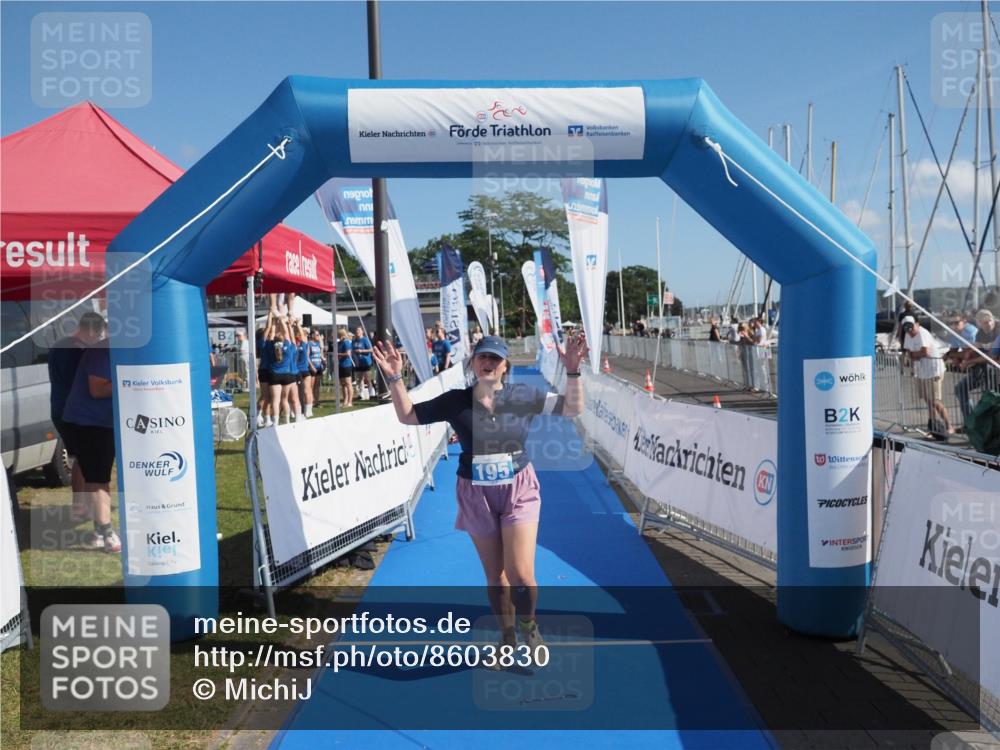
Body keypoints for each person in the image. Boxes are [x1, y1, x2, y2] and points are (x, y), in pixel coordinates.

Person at [373, 333, 589, 662]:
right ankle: (506, 636)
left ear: (505, 366)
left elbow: (572, 408)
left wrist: (573, 372)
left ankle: (529, 625)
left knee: (520, 573)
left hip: (519, 488)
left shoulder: (523, 396)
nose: (488, 363)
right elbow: (408, 415)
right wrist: (393, 378)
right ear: (473, 363)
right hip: (475, 493)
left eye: (495, 359)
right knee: (496, 576)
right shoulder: (455, 401)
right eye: (482, 358)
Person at [60, 340, 121, 552]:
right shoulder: (103, 351)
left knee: (96, 475)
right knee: (98, 478)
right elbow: (97, 389)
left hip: (104, 421)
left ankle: (98, 530)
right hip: (87, 422)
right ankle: (107, 532)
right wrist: (133, 380)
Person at [48, 312, 107, 521]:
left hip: (59, 409)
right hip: (74, 412)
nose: (98, 338)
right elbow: (84, 382)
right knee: (86, 459)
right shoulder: (77, 351)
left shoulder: (59, 345)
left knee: (80, 458)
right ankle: (83, 506)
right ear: (91, 330)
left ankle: (80, 506)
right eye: (98, 334)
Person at [901, 316, 953, 436]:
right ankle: (933, 428)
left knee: (935, 401)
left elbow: (925, 352)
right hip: (922, 372)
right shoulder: (908, 334)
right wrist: (914, 362)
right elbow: (910, 354)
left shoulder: (922, 333)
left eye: (911, 327)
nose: (910, 330)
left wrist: (914, 355)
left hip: (934, 370)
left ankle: (948, 426)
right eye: (906, 328)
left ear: (917, 324)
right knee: (928, 401)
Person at [954, 309, 999, 421]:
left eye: (990, 320)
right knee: (960, 388)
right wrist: (967, 355)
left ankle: (985, 425)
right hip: (985, 370)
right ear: (979, 323)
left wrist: (969, 362)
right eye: (985, 322)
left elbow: (990, 356)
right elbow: (975, 348)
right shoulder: (980, 333)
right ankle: (971, 421)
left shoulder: (998, 331)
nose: (989, 323)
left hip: (994, 370)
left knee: (989, 398)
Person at [265, 312, 302, 424]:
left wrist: (274, 322)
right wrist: (282, 321)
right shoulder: (289, 346)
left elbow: (271, 334)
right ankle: (286, 421)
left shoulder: (270, 346)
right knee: (285, 400)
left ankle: (275, 422)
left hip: (274, 375)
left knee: (275, 401)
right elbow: (287, 333)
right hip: (287, 375)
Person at [294, 321, 314, 418]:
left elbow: (302, 335)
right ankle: (300, 410)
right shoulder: (294, 343)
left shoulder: (304, 343)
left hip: (304, 370)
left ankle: (308, 410)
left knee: (307, 391)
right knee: (298, 392)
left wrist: (298, 324)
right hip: (296, 371)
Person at [352, 327, 374, 400]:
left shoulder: (365, 340)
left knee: (367, 378)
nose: (357, 331)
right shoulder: (354, 341)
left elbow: (371, 350)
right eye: (356, 330)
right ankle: (360, 394)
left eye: (358, 330)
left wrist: (361, 351)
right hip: (358, 362)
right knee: (359, 379)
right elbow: (352, 350)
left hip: (366, 362)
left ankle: (371, 394)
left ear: (362, 332)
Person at [307, 329, 325, 410]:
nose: (318, 336)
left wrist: (320, 338)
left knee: (317, 386)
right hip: (312, 367)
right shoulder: (309, 344)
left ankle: (317, 402)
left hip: (318, 366)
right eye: (317, 335)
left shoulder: (318, 344)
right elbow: (307, 356)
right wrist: (311, 366)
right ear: (312, 335)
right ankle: (310, 402)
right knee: (311, 385)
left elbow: (322, 349)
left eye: (318, 335)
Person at [337, 328, 354, 408]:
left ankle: (350, 402)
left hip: (346, 365)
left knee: (348, 383)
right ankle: (345, 401)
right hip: (340, 365)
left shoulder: (346, 342)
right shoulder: (339, 343)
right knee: (343, 384)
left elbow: (348, 353)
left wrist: (338, 354)